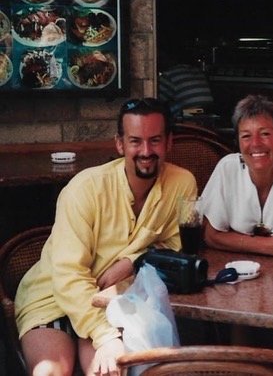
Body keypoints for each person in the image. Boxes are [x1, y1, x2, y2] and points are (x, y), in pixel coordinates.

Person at [15, 98, 197, 376]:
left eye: (155, 140)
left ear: (169, 142)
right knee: (50, 373)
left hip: (115, 302)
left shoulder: (182, 183)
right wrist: (106, 336)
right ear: (120, 144)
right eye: (135, 141)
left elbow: (176, 248)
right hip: (54, 298)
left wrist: (132, 261)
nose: (146, 151)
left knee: (109, 372)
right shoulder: (84, 189)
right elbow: (68, 276)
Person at [201, 94, 273, 256]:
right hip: (236, 266)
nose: (255, 143)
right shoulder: (227, 168)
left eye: (265, 134)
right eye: (246, 136)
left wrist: (235, 241)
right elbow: (210, 236)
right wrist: (267, 245)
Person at [158, 46, 214, 119]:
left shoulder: (169, 74)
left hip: (189, 113)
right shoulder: (197, 71)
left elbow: (159, 100)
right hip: (207, 112)